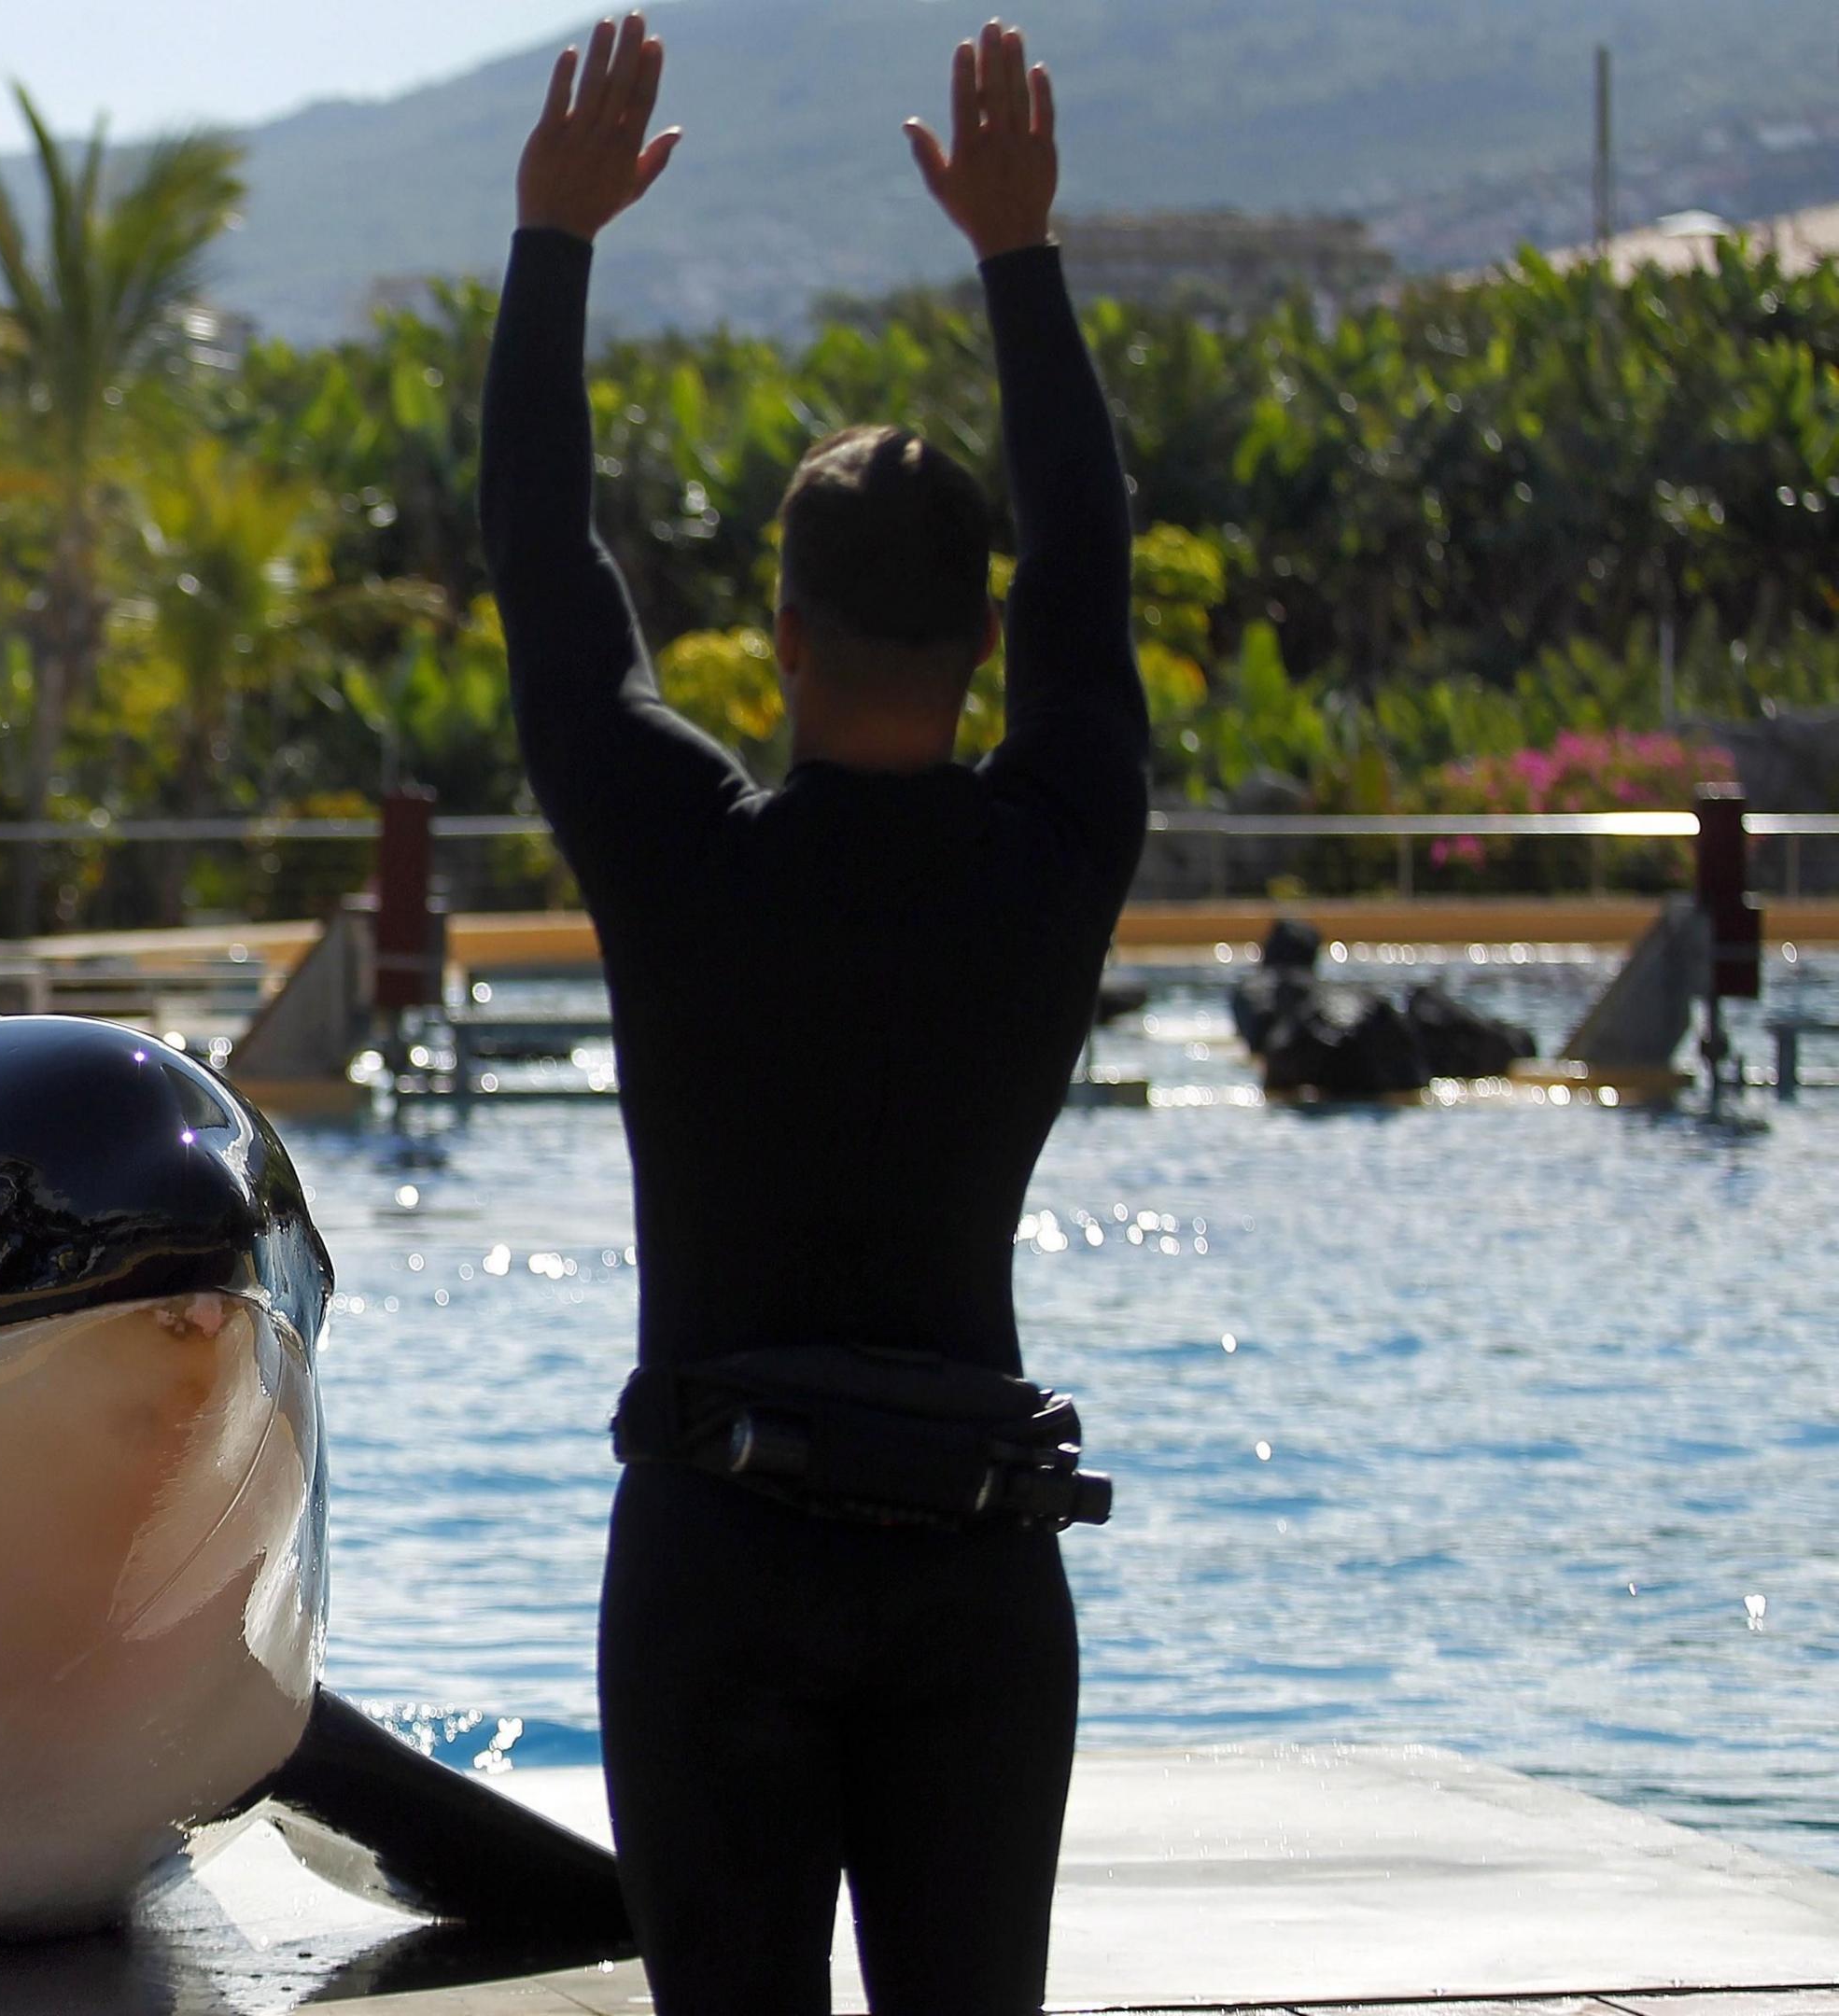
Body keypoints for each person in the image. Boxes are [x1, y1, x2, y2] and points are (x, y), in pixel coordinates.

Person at [482, 16, 1144, 2010]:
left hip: (718, 1563)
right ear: (989, 642)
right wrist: (1021, 260)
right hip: (973, 1570)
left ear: (778, 638)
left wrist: (552, 240)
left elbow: (540, 561)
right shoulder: (1054, 850)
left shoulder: (684, 852)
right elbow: (1096, 564)